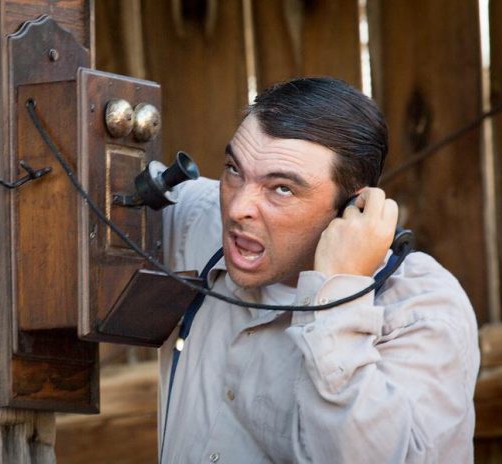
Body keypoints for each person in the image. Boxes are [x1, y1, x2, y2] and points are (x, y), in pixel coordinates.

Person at [159, 77, 479, 463]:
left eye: (281, 189)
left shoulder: (422, 311)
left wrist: (340, 298)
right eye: (234, 170)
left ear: (351, 208)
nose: (236, 208)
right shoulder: (204, 220)